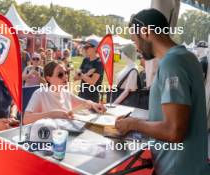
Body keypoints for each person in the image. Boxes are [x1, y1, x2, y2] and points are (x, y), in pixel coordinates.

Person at [115, 9, 210, 175]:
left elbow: (174, 131)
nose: (136, 47)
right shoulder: (187, 57)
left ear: (145, 32)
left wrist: (133, 124)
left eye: (134, 39)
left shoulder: (172, 62)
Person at [24, 61, 106, 124]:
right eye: (60, 75)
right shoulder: (40, 93)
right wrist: (51, 115)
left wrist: (94, 105)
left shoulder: (66, 92)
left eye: (65, 73)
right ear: (48, 78)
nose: (65, 77)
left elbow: (85, 103)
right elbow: (26, 119)